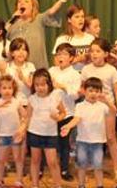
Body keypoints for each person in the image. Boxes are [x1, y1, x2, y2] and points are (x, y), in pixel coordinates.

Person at [5, 0, 84, 69]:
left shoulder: (39, 19)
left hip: (38, 69)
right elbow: (1, 35)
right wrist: (12, 20)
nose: (22, 3)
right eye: (19, 2)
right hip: (17, 69)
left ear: (32, 6)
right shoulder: (12, 23)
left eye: (26, 1)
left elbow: (52, 11)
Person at [80, 38, 117, 180]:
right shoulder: (86, 69)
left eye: (98, 51)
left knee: (110, 138)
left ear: (106, 53)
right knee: (88, 138)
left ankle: (116, 168)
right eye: (92, 51)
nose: (94, 54)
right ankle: (85, 170)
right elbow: (82, 88)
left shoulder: (111, 70)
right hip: (89, 109)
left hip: (107, 108)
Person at [59, 77, 114, 188]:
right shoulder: (80, 106)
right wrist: (68, 126)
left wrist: (107, 101)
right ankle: (81, 185)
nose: (93, 94)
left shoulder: (103, 106)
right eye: (90, 90)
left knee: (98, 166)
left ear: (100, 92)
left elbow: (114, 111)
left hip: (98, 142)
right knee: (82, 165)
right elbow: (76, 119)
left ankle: (99, 185)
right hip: (82, 142)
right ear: (84, 91)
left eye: (97, 91)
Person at [26, 69, 66, 188]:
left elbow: (64, 113)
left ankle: (58, 185)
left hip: (50, 135)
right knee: (35, 160)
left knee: (52, 162)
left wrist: (58, 118)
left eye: (43, 84)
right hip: (34, 133)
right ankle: (34, 185)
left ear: (49, 84)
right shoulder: (32, 99)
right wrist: (22, 130)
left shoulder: (55, 98)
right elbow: (28, 117)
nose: (40, 88)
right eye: (37, 85)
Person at [0, 75, 28, 188]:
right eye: (4, 88)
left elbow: (25, 115)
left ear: (13, 89)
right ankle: (0, 179)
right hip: (3, 135)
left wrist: (23, 127)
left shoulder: (16, 102)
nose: (7, 90)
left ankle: (19, 180)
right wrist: (0, 104)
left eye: (10, 88)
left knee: (17, 158)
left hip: (15, 135)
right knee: (1, 159)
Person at [49, 43, 82, 180]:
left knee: (64, 143)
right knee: (49, 142)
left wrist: (62, 87)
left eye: (64, 54)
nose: (60, 57)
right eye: (58, 54)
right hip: (51, 113)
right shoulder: (51, 71)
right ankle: (46, 168)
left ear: (72, 58)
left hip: (67, 113)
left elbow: (76, 95)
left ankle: (63, 169)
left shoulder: (75, 74)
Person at [52, 5, 94, 70]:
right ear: (69, 19)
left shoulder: (91, 38)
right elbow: (57, 64)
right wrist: (77, 59)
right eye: (77, 17)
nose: (81, 19)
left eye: (82, 16)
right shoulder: (62, 39)